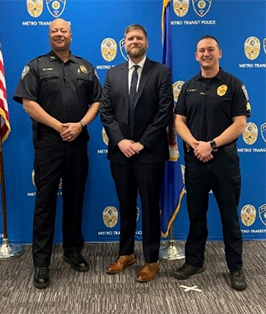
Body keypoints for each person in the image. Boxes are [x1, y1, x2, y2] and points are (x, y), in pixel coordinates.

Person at [13, 18, 102, 289]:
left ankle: (73, 251)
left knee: (75, 199)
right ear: (49, 36)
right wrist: (60, 126)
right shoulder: (36, 66)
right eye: (54, 31)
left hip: (78, 142)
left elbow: (97, 101)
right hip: (49, 144)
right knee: (45, 203)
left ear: (71, 35)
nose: (59, 34)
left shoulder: (86, 67)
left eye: (63, 30)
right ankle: (41, 263)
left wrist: (80, 125)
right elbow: (29, 103)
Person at [174, 35, 251, 290]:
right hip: (195, 160)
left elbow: (240, 124)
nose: (205, 54)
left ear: (220, 53)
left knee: (229, 217)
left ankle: (236, 268)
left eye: (210, 50)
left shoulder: (233, 84)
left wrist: (212, 145)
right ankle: (195, 261)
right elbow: (178, 122)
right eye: (201, 51)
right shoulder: (188, 86)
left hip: (223, 161)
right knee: (196, 215)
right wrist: (197, 145)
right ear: (196, 56)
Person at [100, 24, 173, 282]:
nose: (134, 41)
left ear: (147, 42)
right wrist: (121, 141)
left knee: (150, 207)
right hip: (120, 153)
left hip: (149, 152)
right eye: (130, 38)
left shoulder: (161, 72)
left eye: (139, 38)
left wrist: (141, 143)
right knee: (126, 205)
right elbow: (106, 112)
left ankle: (152, 261)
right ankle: (126, 253)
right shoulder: (112, 73)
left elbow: (164, 112)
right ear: (124, 43)